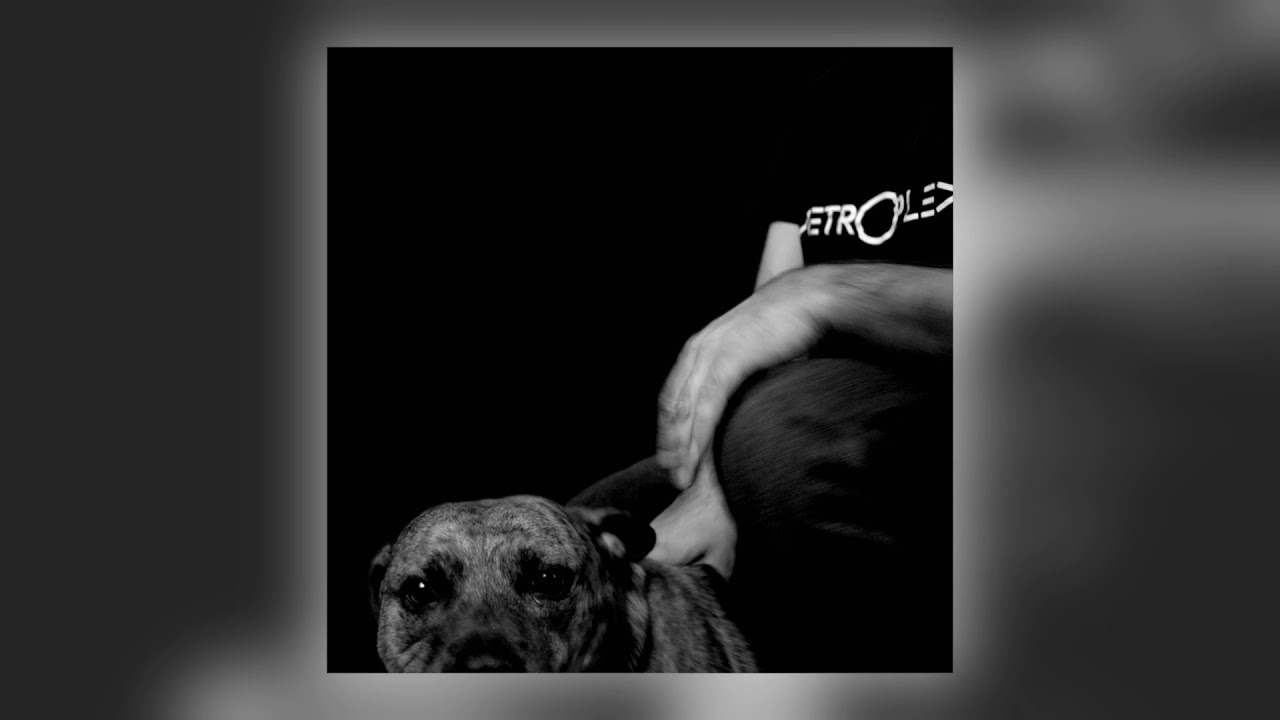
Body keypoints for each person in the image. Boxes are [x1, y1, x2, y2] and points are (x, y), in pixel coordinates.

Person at [569, 57, 953, 672]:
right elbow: (768, 317)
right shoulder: (836, 91)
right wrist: (715, 483)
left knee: (779, 439)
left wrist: (826, 292)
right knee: (569, 536)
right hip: (801, 407)